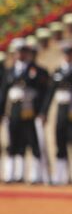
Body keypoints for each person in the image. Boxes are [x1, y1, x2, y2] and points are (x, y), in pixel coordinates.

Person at [0, 38, 50, 184]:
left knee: (33, 143)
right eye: (18, 52)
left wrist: (42, 112)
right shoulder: (9, 72)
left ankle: (36, 175)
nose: (21, 54)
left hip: (30, 110)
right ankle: (12, 174)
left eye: (24, 51)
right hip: (14, 109)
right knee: (13, 142)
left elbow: (44, 94)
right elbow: (3, 93)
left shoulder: (37, 71)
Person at [41, 41, 72, 186]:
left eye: (70, 53)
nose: (68, 56)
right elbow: (49, 94)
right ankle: (59, 176)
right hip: (61, 111)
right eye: (66, 53)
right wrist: (44, 112)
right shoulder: (57, 72)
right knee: (60, 143)